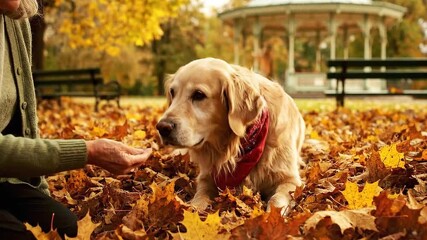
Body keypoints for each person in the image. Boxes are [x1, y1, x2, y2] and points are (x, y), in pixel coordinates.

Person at [0, 0, 152, 239]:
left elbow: (24, 120)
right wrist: (88, 151)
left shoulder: (15, 19)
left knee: (65, 228)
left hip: (4, 178)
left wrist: (39, 194)